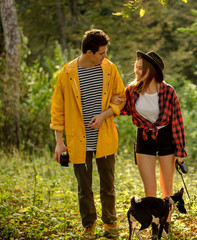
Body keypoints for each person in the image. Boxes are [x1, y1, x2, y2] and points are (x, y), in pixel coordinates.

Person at [49, 29, 126, 238]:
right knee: (84, 188)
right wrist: (59, 142)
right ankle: (89, 225)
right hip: (77, 141)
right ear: (90, 52)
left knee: (108, 185)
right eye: (102, 53)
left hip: (105, 137)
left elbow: (121, 97)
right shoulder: (67, 73)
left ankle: (110, 224)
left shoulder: (110, 69)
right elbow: (58, 108)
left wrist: (104, 115)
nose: (105, 56)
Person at [112, 51, 187, 238]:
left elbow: (177, 121)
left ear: (151, 71)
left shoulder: (168, 91)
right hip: (143, 137)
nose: (136, 71)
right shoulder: (131, 90)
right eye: (135, 67)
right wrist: (114, 102)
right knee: (150, 189)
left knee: (167, 189)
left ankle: (165, 225)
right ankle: (154, 226)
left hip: (165, 137)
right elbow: (122, 110)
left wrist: (180, 151)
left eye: (140, 68)